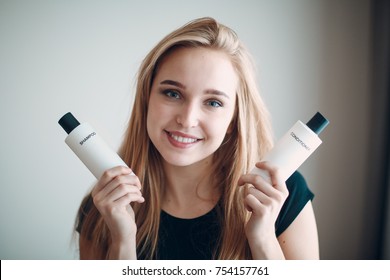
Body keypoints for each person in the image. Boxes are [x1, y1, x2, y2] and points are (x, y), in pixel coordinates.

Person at [75, 17, 319, 260]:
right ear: (146, 100)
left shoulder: (282, 195)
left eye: (213, 102)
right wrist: (122, 241)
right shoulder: (103, 207)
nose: (188, 119)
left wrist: (264, 239)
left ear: (234, 120)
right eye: (172, 93)